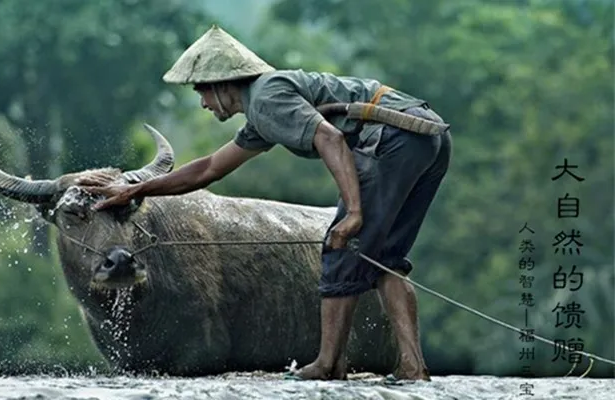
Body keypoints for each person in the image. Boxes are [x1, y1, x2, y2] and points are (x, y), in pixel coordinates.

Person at [79, 25, 451, 382]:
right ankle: (411, 367)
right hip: (426, 135)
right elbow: (208, 168)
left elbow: (331, 139)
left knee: (340, 249)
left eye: (202, 92)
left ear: (224, 84)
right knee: (386, 261)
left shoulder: (267, 96)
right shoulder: (263, 113)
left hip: (396, 138)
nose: (204, 104)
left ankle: (327, 364)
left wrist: (353, 214)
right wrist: (137, 190)